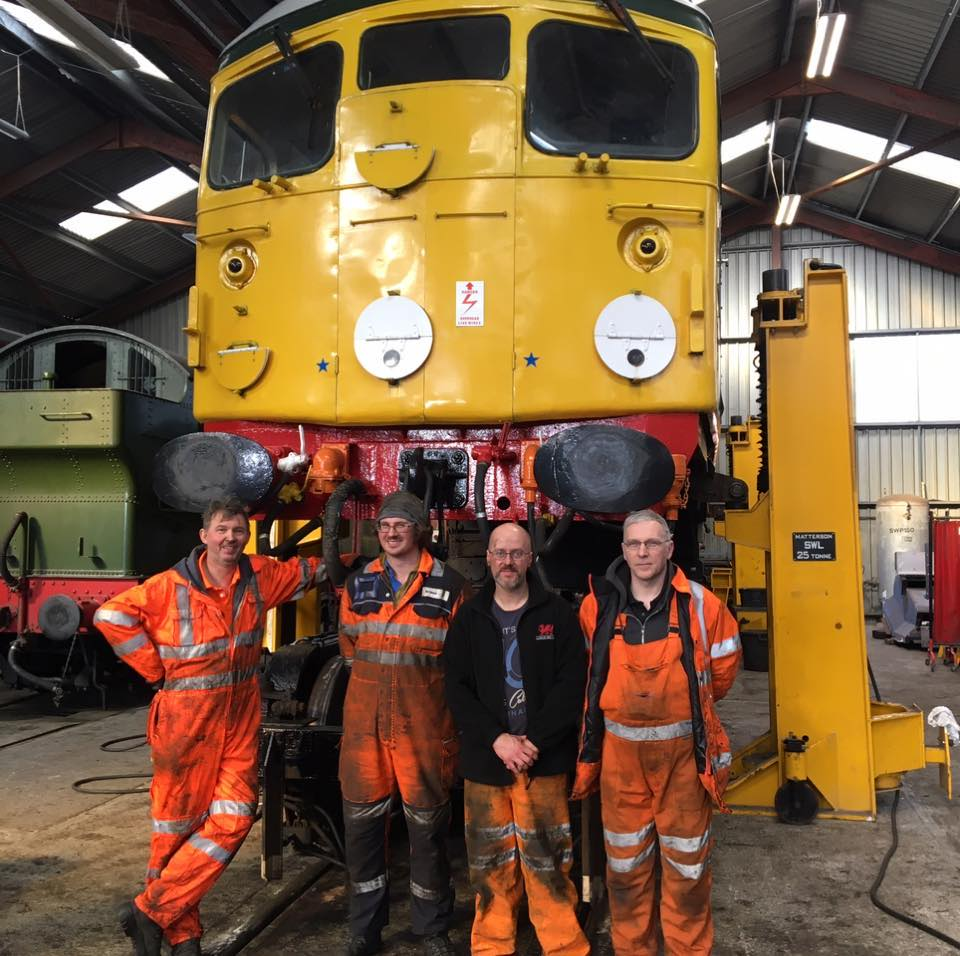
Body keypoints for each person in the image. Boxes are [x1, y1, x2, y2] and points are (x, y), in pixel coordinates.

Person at [94, 496, 327, 956]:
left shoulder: (257, 576)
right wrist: (154, 668)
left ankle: (151, 912)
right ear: (204, 536)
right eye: (222, 529)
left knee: (237, 814)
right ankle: (184, 936)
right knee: (177, 827)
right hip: (185, 718)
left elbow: (310, 572)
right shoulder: (169, 586)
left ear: (247, 536)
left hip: (238, 713)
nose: (230, 538)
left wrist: (361, 558)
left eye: (238, 530)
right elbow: (110, 615)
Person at [571, 509, 742, 956]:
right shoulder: (599, 606)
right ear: (623, 551)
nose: (643, 552)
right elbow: (589, 672)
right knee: (625, 870)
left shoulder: (703, 605)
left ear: (670, 548)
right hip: (619, 761)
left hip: (683, 759)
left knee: (687, 869)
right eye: (634, 545)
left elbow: (721, 675)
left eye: (652, 543)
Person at [443, 523, 589, 956]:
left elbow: (571, 684)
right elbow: (456, 687)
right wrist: (499, 740)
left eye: (517, 553)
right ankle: (492, 945)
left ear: (530, 559)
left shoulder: (557, 615)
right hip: (488, 761)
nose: (508, 561)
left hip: (541, 761)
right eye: (500, 553)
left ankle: (563, 945)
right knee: (488, 864)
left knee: (548, 858)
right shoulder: (469, 617)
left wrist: (534, 742)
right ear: (488, 558)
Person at [338, 491, 467, 956]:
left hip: (424, 726)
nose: (391, 533)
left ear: (420, 530)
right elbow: (349, 647)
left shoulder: (450, 586)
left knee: (428, 830)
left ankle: (432, 929)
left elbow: (460, 661)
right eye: (385, 526)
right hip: (365, 727)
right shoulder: (357, 585)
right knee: (363, 830)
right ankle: (364, 930)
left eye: (401, 525)